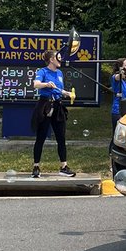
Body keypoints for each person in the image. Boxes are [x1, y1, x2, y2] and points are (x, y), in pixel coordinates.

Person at [30, 47, 76, 178]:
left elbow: (58, 90)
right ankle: (36, 167)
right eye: (58, 57)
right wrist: (46, 84)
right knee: (41, 137)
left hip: (58, 105)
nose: (61, 58)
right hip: (45, 105)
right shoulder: (42, 71)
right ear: (51, 59)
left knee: (61, 137)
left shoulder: (60, 73)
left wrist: (66, 93)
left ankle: (63, 167)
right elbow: (36, 84)